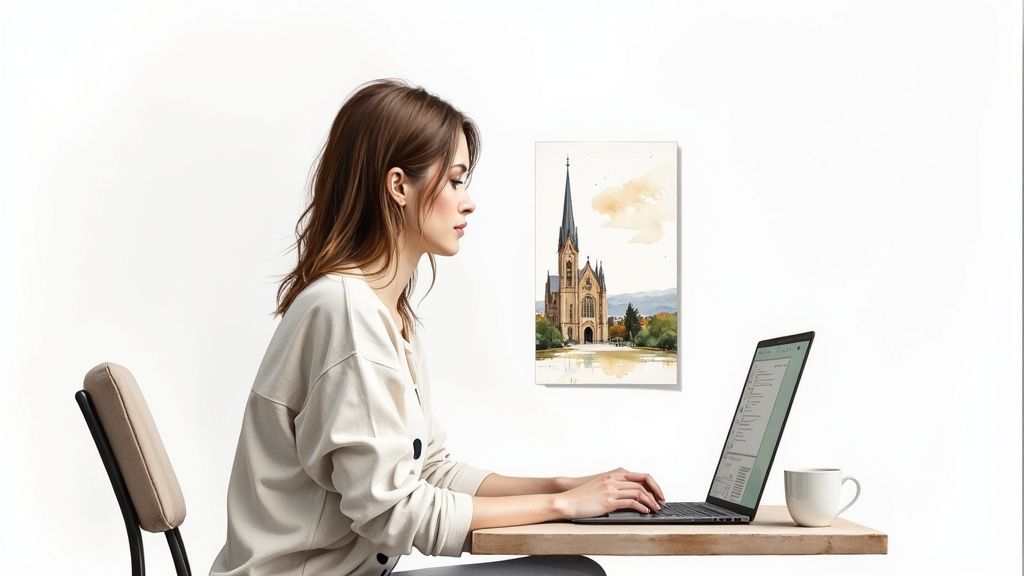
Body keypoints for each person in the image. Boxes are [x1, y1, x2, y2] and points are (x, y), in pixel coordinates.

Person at [209, 78, 666, 576]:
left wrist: (563, 486)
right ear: (399, 186)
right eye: (454, 181)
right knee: (571, 574)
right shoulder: (346, 312)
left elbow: (429, 469)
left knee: (570, 570)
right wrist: (564, 506)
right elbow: (395, 513)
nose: (468, 202)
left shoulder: (388, 313)